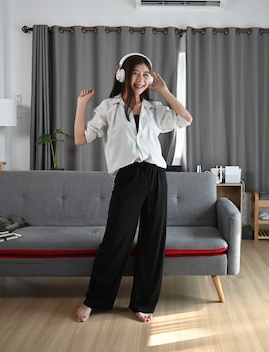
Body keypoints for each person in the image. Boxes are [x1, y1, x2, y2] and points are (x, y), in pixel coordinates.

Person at [73, 53, 193, 322]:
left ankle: (142, 303)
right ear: (122, 75)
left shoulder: (154, 109)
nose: (141, 79)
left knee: (153, 241)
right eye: (136, 73)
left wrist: (164, 90)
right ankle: (95, 300)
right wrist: (81, 104)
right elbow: (81, 138)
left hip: (156, 176)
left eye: (145, 74)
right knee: (116, 239)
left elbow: (185, 118)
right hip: (128, 177)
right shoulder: (108, 107)